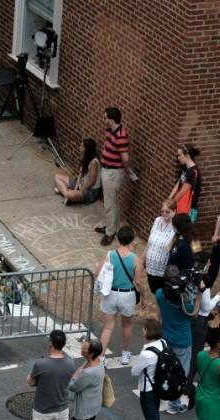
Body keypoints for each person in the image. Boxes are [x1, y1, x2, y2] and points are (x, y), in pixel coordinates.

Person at [97, 226, 143, 365]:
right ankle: (125, 354)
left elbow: (98, 272)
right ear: (132, 240)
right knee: (126, 325)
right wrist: (143, 296)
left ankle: (101, 357)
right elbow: (138, 282)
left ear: (118, 239)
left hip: (110, 294)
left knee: (108, 327)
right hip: (127, 295)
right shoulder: (136, 259)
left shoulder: (109, 255)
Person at [156, 266, 197, 414]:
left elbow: (159, 315)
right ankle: (174, 404)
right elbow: (194, 313)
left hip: (167, 338)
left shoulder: (159, 294)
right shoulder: (185, 301)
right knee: (181, 373)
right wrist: (196, 293)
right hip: (183, 341)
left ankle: (166, 395)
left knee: (168, 370)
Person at [94, 107, 130, 246]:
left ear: (112, 119)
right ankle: (113, 227)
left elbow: (125, 157)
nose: (104, 120)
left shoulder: (121, 135)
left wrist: (127, 170)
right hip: (107, 170)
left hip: (113, 173)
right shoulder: (110, 130)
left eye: (105, 118)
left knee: (109, 204)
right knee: (112, 201)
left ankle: (110, 233)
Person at [132, 319, 165, 420]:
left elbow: (134, 371)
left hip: (148, 391)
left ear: (147, 331)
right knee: (155, 419)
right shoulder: (163, 343)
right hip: (158, 388)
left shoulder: (147, 353)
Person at [143, 199, 177, 294]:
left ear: (174, 212)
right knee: (154, 291)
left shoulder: (175, 227)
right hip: (150, 265)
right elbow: (149, 241)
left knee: (161, 293)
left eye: (167, 212)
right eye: (162, 211)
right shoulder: (157, 220)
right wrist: (143, 258)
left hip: (163, 269)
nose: (164, 214)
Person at [54, 139, 101, 206]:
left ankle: (66, 193)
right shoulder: (85, 157)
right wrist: (75, 189)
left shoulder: (94, 162)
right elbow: (80, 175)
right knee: (57, 177)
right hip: (81, 184)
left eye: (82, 146)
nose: (79, 147)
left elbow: (92, 182)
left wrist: (81, 190)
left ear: (87, 149)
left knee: (70, 194)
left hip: (90, 190)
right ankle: (67, 194)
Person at [169, 144, 203, 222]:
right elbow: (178, 184)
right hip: (180, 205)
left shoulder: (193, 172)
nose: (178, 158)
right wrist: (169, 198)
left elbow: (182, 191)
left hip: (189, 208)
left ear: (187, 155)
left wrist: (171, 204)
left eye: (180, 155)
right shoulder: (185, 169)